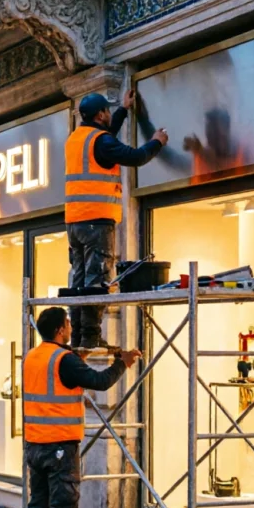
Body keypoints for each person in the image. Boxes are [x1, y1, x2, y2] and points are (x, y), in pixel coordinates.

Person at [19, 307, 140, 508]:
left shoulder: (34, 356)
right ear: (61, 330)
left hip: (35, 444)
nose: (72, 327)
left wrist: (78, 361)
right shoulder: (65, 359)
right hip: (60, 446)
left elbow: (57, 384)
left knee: (38, 506)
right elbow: (100, 382)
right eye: (69, 323)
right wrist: (124, 362)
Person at [65, 89, 167, 349]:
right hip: (96, 220)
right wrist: (157, 141)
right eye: (108, 111)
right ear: (100, 115)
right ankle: (90, 337)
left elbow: (105, 140)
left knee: (79, 279)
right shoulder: (101, 141)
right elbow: (135, 157)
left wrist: (123, 109)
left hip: (75, 221)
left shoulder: (77, 139)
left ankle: (78, 335)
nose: (110, 114)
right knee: (96, 278)